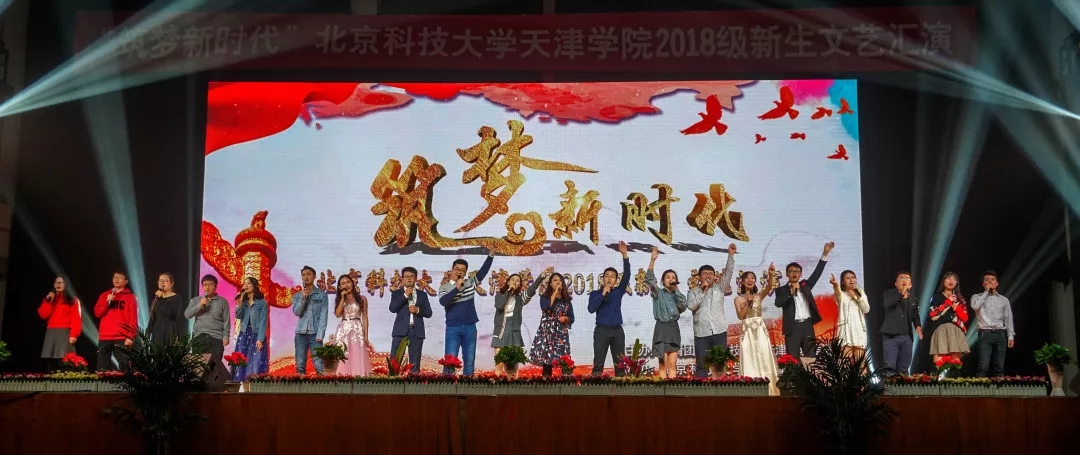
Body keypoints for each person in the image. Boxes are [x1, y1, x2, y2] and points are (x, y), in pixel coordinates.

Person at [438, 250, 495, 376]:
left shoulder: (470, 283)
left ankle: (467, 384)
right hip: (453, 328)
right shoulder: (444, 287)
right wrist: (457, 288)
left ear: (465, 273)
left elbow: (483, 271)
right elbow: (444, 302)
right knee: (450, 360)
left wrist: (490, 255)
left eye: (462, 270)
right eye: (457, 269)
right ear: (452, 270)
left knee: (469, 359)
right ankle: (447, 384)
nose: (459, 272)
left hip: (470, 327)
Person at [774, 241, 834, 359]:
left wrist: (825, 254)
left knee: (811, 359)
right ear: (786, 274)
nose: (794, 273)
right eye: (791, 271)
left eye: (797, 271)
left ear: (801, 274)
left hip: (807, 327)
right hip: (792, 329)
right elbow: (778, 303)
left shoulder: (805, 285)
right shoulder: (781, 290)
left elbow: (817, 273)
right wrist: (790, 292)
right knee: (793, 361)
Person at [688, 243, 737, 377]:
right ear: (699, 277)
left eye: (711, 273)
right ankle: (701, 389)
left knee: (720, 364)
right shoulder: (693, 292)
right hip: (701, 333)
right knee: (701, 366)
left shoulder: (719, 288)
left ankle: (720, 390)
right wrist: (703, 291)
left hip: (719, 331)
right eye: (705, 273)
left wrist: (731, 255)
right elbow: (692, 306)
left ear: (715, 276)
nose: (708, 276)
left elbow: (728, 273)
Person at [492, 267, 550, 376]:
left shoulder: (520, 299)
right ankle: (497, 384)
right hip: (500, 331)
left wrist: (541, 277)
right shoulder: (499, 295)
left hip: (514, 332)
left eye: (518, 281)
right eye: (513, 279)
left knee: (513, 367)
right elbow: (499, 306)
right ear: (508, 282)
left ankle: (514, 384)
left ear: (520, 285)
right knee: (499, 364)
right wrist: (509, 291)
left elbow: (531, 290)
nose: (515, 282)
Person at [587, 241, 631, 376]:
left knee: (620, 365)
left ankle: (621, 387)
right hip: (601, 331)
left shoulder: (618, 291)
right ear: (602, 279)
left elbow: (627, 275)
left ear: (616, 280)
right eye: (607, 276)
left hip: (617, 331)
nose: (609, 278)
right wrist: (602, 295)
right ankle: (596, 386)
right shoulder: (595, 294)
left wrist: (625, 255)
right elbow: (591, 309)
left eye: (613, 277)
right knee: (598, 364)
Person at [734, 263, 778, 395]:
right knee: (749, 357)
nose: (750, 280)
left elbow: (769, 287)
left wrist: (770, 274)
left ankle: (770, 389)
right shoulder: (738, 299)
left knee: (764, 354)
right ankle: (750, 390)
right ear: (742, 282)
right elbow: (741, 316)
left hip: (759, 330)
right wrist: (747, 304)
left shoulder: (759, 296)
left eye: (752, 278)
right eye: (747, 278)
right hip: (747, 331)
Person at [645, 247, 687, 379]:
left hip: (673, 328)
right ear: (663, 281)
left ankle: (672, 388)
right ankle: (663, 388)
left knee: (672, 364)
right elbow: (649, 279)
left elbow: (684, 306)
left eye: (673, 277)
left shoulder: (677, 295)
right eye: (668, 277)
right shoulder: (658, 293)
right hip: (661, 329)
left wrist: (677, 290)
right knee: (663, 364)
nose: (671, 279)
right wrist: (652, 260)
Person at [529, 272, 575, 377]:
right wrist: (554, 293)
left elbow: (572, 318)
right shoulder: (544, 297)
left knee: (563, 359)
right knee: (547, 359)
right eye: (555, 280)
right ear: (550, 284)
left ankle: (566, 382)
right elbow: (546, 307)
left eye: (560, 280)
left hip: (560, 333)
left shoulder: (566, 300)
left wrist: (566, 319)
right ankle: (546, 382)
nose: (558, 282)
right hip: (547, 332)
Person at [971, 271, 1014, 377]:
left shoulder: (1004, 300)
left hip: (1000, 334)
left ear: (997, 283)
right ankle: (979, 387)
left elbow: (1008, 318)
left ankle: (999, 387)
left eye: (992, 279)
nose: (990, 281)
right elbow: (975, 306)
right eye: (987, 280)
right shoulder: (976, 297)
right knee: (983, 366)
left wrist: (1010, 336)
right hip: (984, 334)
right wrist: (986, 292)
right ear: (983, 284)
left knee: (1000, 367)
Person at [390, 267, 432, 373]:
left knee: (414, 365)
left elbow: (429, 312)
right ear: (402, 279)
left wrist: (418, 310)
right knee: (395, 363)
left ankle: (414, 381)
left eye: (411, 276)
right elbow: (392, 308)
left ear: (416, 278)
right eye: (406, 277)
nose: (409, 279)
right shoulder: (397, 293)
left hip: (416, 332)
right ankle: (393, 381)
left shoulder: (422, 295)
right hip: (400, 331)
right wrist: (405, 295)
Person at [880, 271, 923, 375]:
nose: (904, 280)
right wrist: (902, 293)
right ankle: (888, 385)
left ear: (910, 284)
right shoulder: (888, 294)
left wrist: (918, 326)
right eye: (901, 278)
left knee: (904, 367)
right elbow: (887, 304)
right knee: (889, 367)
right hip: (890, 336)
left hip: (907, 337)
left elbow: (915, 315)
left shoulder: (914, 300)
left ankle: (903, 385)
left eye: (907, 278)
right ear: (895, 283)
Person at [94, 271, 138, 370]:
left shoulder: (130, 297)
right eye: (115, 277)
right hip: (105, 336)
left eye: (120, 277)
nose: (117, 279)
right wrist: (106, 301)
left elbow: (133, 318)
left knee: (124, 367)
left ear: (126, 281)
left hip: (122, 336)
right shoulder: (105, 295)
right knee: (102, 367)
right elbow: (97, 313)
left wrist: (130, 336)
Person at [185, 274, 231, 368]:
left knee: (214, 367)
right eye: (205, 285)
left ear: (216, 286)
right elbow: (187, 315)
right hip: (199, 337)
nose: (207, 287)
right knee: (198, 367)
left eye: (210, 284)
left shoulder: (223, 301)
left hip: (216, 337)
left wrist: (226, 336)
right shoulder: (196, 300)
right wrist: (200, 305)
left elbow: (226, 320)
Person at [928, 272, 970, 374]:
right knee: (938, 360)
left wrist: (957, 308)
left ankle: (954, 381)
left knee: (955, 360)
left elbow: (965, 318)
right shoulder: (936, 297)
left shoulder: (960, 299)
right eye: (949, 278)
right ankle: (937, 381)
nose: (951, 281)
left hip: (956, 330)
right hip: (941, 329)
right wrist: (948, 302)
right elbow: (933, 315)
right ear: (943, 281)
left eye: (954, 279)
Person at [38, 276, 82, 372]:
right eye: (57, 282)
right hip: (51, 332)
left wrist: (74, 334)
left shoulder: (72, 300)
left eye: (61, 282)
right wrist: (48, 301)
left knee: (64, 362)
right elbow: (43, 315)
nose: (58, 284)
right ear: (54, 285)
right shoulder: (49, 299)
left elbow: (76, 318)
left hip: (64, 332)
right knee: (50, 363)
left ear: (66, 285)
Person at [292, 266, 329, 375]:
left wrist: (320, 335)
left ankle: (321, 386)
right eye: (303, 275)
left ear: (314, 276)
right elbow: (297, 313)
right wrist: (303, 298)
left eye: (308, 274)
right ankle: (300, 386)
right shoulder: (297, 296)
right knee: (300, 365)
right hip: (300, 334)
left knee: (318, 365)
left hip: (315, 334)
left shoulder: (322, 295)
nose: (306, 277)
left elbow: (323, 316)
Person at [333, 274, 372, 376]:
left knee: (357, 355)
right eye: (343, 283)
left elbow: (365, 318)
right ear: (340, 287)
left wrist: (366, 336)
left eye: (348, 282)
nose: (346, 285)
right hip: (344, 329)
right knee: (343, 355)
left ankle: (357, 377)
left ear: (352, 283)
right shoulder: (340, 299)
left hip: (357, 329)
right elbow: (337, 314)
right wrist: (342, 299)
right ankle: (342, 378)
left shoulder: (362, 299)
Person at [232, 277, 269, 383]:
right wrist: (240, 302)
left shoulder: (262, 303)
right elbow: (238, 316)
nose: (246, 285)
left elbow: (263, 322)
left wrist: (260, 339)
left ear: (254, 285)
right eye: (245, 284)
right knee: (241, 361)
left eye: (248, 283)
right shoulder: (244, 302)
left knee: (255, 361)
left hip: (256, 335)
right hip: (244, 334)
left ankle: (254, 386)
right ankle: (240, 384)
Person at [830, 270, 870, 362]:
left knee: (860, 361)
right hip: (846, 329)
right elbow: (837, 292)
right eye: (848, 278)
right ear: (843, 282)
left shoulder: (861, 293)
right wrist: (835, 285)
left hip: (858, 328)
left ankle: (861, 373)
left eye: (853, 277)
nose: (851, 280)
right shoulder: (841, 295)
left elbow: (866, 309)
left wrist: (856, 296)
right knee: (845, 361)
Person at [148, 273, 188, 347]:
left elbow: (171, 313)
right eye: (160, 281)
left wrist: (160, 298)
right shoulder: (157, 298)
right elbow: (153, 316)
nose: (162, 283)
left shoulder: (176, 298)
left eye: (165, 281)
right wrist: (148, 332)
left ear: (171, 283)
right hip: (157, 331)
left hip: (169, 330)